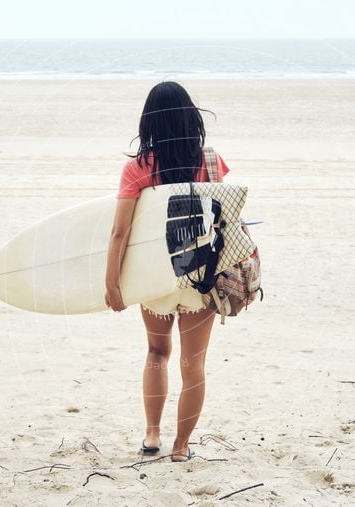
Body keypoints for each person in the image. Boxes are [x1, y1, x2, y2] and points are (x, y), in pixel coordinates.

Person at [104, 81, 230, 463]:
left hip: (156, 280)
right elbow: (221, 220)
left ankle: (152, 435)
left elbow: (120, 232)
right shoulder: (210, 162)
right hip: (198, 277)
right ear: (191, 117)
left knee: (157, 352)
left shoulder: (138, 169)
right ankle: (181, 448)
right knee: (194, 366)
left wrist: (113, 284)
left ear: (150, 123)